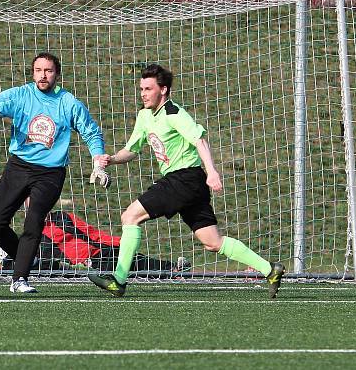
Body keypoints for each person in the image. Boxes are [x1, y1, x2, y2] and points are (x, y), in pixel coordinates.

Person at [88, 64, 285, 298]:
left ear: (163, 90)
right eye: (141, 88)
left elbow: (199, 140)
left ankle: (119, 280)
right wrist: (111, 159)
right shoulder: (144, 115)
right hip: (189, 183)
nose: (143, 93)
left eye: (148, 89)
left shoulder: (174, 113)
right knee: (212, 241)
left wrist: (212, 171)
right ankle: (269, 269)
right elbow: (132, 149)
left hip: (185, 178)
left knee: (130, 216)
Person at [0, 52, 110, 293]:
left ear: (57, 74)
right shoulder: (20, 95)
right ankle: (26, 258)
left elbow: (91, 132)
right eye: (38, 70)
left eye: (48, 71)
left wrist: (98, 162)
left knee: (33, 221)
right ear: (33, 73)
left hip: (50, 173)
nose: (43, 75)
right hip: (19, 166)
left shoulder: (68, 102)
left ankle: (19, 279)